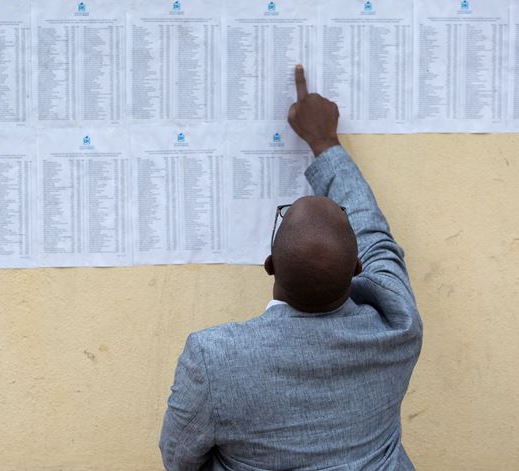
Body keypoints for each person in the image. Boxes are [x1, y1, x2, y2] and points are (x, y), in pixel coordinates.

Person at [159, 65, 423, 470]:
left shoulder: (214, 358)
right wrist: (324, 141)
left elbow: (179, 459)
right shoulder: (397, 326)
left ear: (269, 266)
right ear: (357, 267)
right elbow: (375, 234)